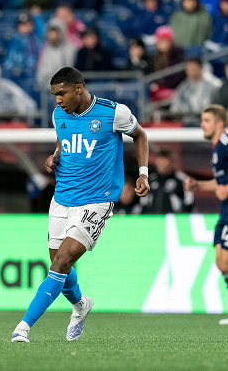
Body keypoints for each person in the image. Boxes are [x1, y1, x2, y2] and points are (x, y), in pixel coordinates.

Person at [11, 66, 149, 343]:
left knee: (62, 261)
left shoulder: (113, 113)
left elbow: (141, 135)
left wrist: (144, 173)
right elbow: (65, 144)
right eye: (54, 96)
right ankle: (80, 305)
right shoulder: (57, 115)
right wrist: (54, 157)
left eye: (61, 93)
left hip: (96, 201)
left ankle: (23, 327)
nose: (57, 100)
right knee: (57, 263)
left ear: (78, 88)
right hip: (62, 198)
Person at [184, 104, 228, 324]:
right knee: (221, 263)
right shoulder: (217, 148)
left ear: (219, 124)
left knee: (227, 264)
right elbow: (221, 183)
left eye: (206, 120)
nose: (201, 124)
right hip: (226, 210)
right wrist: (198, 184)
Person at [139, 149, 194, 214]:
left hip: (173, 220)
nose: (161, 164)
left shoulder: (182, 180)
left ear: (172, 162)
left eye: (164, 161)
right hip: (152, 220)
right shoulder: (150, 179)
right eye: (159, 160)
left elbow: (188, 203)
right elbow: (143, 203)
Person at [36, 18, 77, 88]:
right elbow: (41, 72)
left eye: (56, 32)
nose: (53, 36)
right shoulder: (46, 50)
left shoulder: (70, 49)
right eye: (51, 32)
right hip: (47, 88)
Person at [4, 11, 43, 78]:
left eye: (27, 25)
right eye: (22, 25)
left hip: (29, 74)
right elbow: (9, 58)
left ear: (32, 26)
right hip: (12, 73)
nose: (24, 27)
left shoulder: (36, 40)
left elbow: (35, 60)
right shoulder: (13, 39)